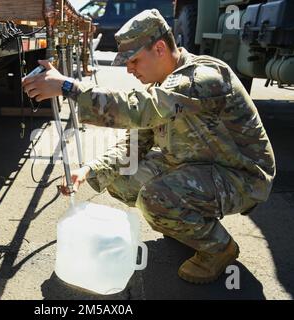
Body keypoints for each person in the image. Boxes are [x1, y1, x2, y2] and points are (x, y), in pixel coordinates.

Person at [22, 9, 276, 284]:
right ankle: (188, 220)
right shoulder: (165, 83)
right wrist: (89, 170)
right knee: (121, 178)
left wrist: (69, 87)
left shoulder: (201, 78)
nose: (129, 70)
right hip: (202, 163)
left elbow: (141, 108)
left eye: (134, 61)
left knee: (156, 198)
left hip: (242, 177)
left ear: (159, 49)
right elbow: (136, 143)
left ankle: (218, 248)